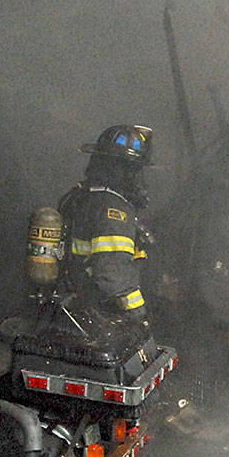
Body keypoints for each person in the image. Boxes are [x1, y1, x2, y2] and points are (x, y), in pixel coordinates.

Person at [58, 124, 154, 324]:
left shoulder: (86, 196)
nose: (140, 179)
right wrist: (139, 315)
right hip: (96, 311)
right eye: (136, 170)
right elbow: (113, 275)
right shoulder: (114, 211)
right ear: (125, 170)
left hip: (72, 304)